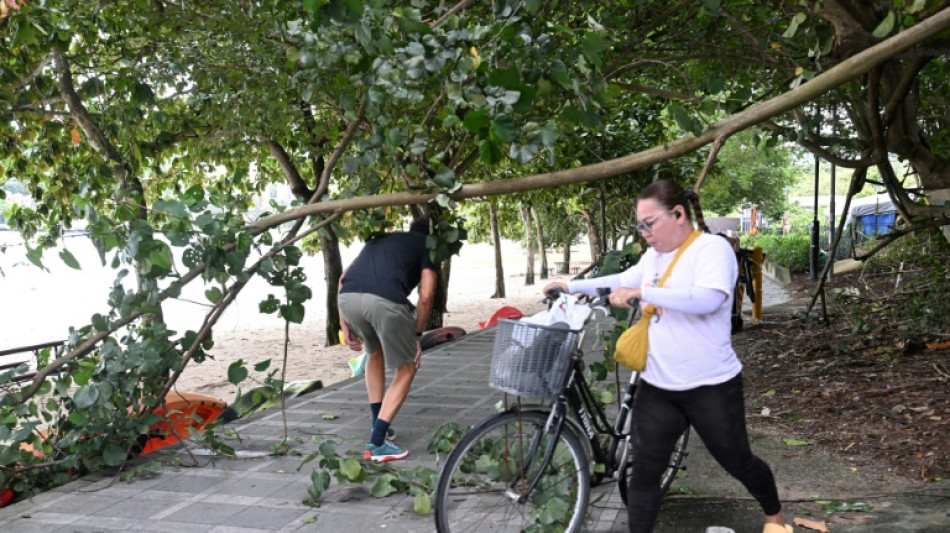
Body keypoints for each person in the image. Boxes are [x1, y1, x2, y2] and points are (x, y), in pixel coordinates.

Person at [543, 180, 792, 533]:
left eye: (649, 223)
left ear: (678, 214)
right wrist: (573, 286)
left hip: (711, 387)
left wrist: (644, 293)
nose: (644, 232)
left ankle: (775, 516)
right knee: (644, 472)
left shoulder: (711, 250)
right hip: (658, 386)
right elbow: (624, 279)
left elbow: (708, 299)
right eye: (639, 225)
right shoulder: (655, 256)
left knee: (737, 461)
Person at [338, 219, 437, 462]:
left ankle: (377, 423)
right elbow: (426, 296)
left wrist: (343, 322)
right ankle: (378, 442)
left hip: (348, 299)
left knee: (374, 353)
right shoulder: (429, 246)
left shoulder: (381, 238)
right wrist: (416, 335)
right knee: (407, 367)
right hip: (384, 303)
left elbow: (342, 278)